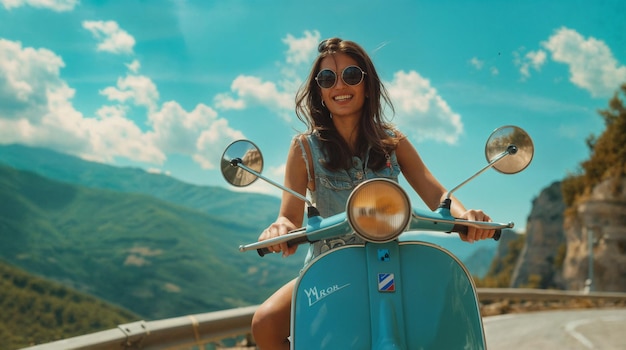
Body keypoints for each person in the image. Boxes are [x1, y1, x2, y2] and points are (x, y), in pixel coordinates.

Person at [250, 37, 496, 349]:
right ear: (320, 92)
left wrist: (466, 217)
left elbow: (436, 193)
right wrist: (281, 227)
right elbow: (289, 214)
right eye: (327, 79)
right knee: (266, 323)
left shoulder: (392, 142)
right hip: (330, 269)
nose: (340, 85)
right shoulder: (304, 149)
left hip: (388, 261)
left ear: (367, 84)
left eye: (351, 75)